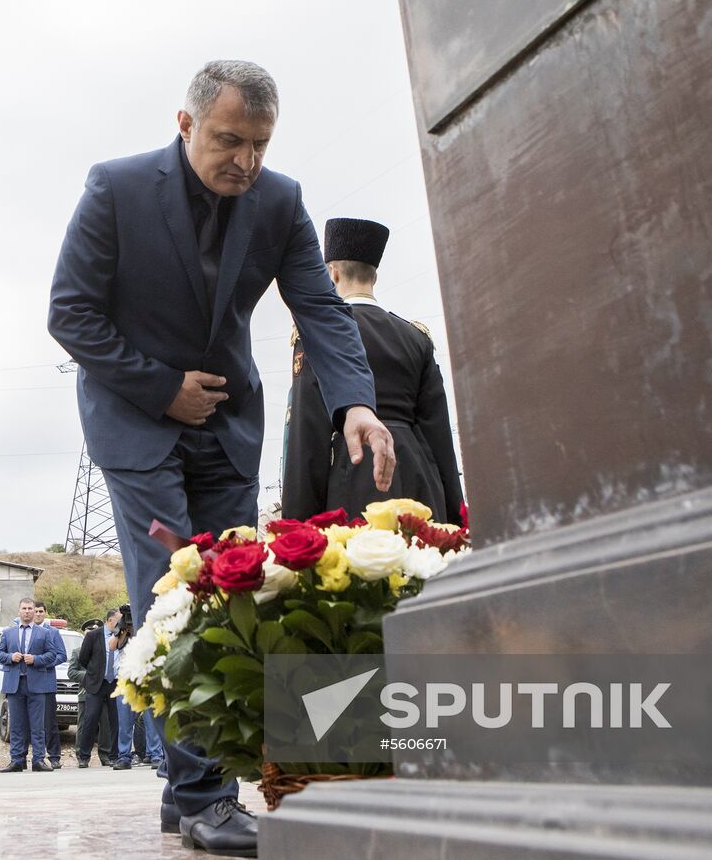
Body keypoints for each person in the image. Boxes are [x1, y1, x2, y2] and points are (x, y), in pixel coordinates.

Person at [48, 59, 395, 855]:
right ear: (185, 124)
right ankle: (207, 796)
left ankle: (185, 790)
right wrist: (162, 387)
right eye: (229, 140)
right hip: (138, 424)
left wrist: (357, 402)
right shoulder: (115, 187)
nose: (245, 160)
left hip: (227, 429)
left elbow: (320, 306)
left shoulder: (280, 201)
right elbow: (69, 313)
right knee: (176, 596)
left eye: (260, 145)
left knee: (235, 590)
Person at [282, 218, 465, 526]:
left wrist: (296, 525)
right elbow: (439, 434)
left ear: (333, 274)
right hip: (419, 477)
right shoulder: (416, 337)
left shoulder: (318, 335)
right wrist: (457, 517)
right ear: (374, 277)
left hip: (351, 477)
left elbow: (307, 432)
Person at [0, 598, 66, 773]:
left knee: (38, 725)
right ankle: (17, 760)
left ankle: (38, 760)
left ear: (35, 612)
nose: (27, 611)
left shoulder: (45, 633)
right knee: (17, 725)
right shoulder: (8, 632)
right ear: (18, 611)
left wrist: (36, 659)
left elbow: (52, 655)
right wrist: (11, 657)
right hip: (15, 684)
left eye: (30, 609)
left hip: (37, 684)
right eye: (24, 608)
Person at [74, 609, 121, 769]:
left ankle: (110, 755)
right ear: (109, 620)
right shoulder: (94, 636)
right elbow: (83, 659)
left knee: (114, 721)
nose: (121, 623)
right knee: (90, 719)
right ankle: (84, 756)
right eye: (118, 620)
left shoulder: (122, 636)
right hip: (96, 684)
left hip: (115, 684)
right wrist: (95, 672)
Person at [32, 601, 62, 768]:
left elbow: (61, 655)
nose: (37, 614)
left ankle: (54, 756)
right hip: (28, 682)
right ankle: (33, 755)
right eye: (35, 611)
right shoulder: (25, 631)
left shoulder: (53, 632)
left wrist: (44, 663)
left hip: (46, 681)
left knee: (49, 721)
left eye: (40, 611)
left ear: (45, 613)